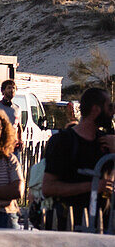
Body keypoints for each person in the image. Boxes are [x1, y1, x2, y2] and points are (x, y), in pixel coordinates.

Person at [42, 86, 115, 228]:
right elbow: (49, 188)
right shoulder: (63, 142)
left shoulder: (106, 142)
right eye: (109, 106)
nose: (112, 112)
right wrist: (93, 186)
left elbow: (109, 183)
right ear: (95, 110)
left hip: (102, 227)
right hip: (69, 225)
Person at [0, 79, 23, 154]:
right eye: (9, 88)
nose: (12, 90)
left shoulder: (17, 108)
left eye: (13, 88)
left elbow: (19, 127)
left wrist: (20, 140)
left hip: (13, 146)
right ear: (3, 91)